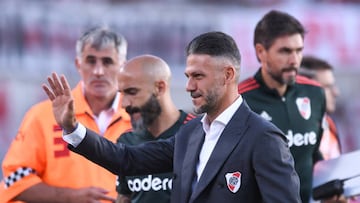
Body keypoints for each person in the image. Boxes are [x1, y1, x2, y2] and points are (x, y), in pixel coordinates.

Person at [42, 31, 302, 203]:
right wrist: (72, 127)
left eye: (198, 76)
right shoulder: (190, 134)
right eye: (188, 76)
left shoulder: (262, 138)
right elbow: (127, 159)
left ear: (228, 75)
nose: (189, 86)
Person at [0, 26, 131, 203]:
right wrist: (70, 197)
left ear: (122, 66)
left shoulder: (137, 117)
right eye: (91, 61)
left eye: (107, 62)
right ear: (78, 64)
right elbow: (13, 179)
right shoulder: (43, 116)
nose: (99, 71)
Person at [237, 10, 342, 203]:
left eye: (299, 50)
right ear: (261, 52)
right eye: (285, 51)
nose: (294, 60)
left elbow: (313, 154)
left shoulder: (315, 93)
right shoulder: (240, 100)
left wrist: (329, 193)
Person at [114, 54, 195, 203]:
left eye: (132, 92)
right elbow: (124, 197)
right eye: (121, 93)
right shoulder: (126, 141)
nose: (124, 103)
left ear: (160, 87)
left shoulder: (198, 133)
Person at [300, 55, 341, 160]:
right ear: (306, 88)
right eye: (327, 87)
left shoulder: (328, 123)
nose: (336, 93)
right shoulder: (297, 131)